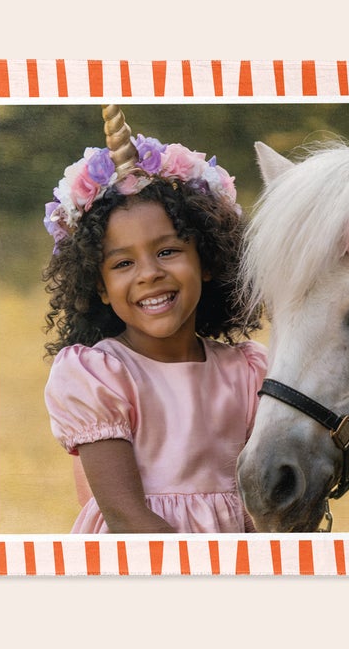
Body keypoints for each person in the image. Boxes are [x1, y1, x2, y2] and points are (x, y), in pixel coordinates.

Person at [42, 105, 265, 533]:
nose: (149, 274)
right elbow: (126, 517)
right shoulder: (100, 376)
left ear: (208, 260)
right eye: (123, 263)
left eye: (167, 251)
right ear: (100, 286)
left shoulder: (247, 372)